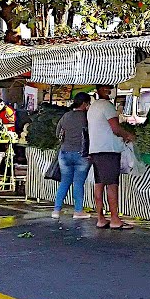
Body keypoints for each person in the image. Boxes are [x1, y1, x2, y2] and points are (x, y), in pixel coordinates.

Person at [87, 84, 136, 230]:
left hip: (95, 149)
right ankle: (115, 219)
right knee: (112, 184)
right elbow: (115, 128)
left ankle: (101, 219)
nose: (109, 90)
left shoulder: (93, 107)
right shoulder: (107, 106)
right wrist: (128, 135)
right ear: (100, 90)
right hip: (108, 150)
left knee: (99, 184)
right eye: (107, 88)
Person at [53, 92, 93, 221]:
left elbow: (57, 133)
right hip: (81, 155)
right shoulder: (87, 118)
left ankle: (56, 210)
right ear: (84, 104)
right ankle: (78, 211)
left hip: (64, 153)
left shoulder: (66, 116)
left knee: (64, 182)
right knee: (78, 183)